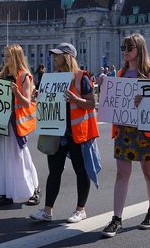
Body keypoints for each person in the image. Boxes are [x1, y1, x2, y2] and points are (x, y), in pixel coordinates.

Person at [30, 43, 100, 224]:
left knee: (80, 170)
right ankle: (47, 210)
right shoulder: (52, 78)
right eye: (54, 55)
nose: (54, 58)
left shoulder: (81, 77)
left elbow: (92, 103)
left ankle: (80, 209)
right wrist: (38, 95)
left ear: (68, 57)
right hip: (57, 132)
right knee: (54, 171)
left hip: (77, 133)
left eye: (58, 55)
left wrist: (76, 99)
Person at [100, 34, 150, 238]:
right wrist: (105, 86)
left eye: (130, 47)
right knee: (122, 172)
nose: (125, 50)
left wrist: (145, 98)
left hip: (145, 129)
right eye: (123, 47)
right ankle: (116, 218)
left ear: (139, 49)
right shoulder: (121, 72)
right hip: (124, 128)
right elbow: (112, 99)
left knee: (149, 170)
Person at [0, 44, 41, 207]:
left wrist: (16, 92)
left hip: (16, 124)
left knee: (20, 158)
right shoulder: (2, 74)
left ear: (16, 58)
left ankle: (34, 189)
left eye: (8, 56)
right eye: (4, 55)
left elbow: (27, 103)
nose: (4, 59)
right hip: (2, 123)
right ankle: (6, 193)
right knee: (2, 158)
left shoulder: (24, 76)